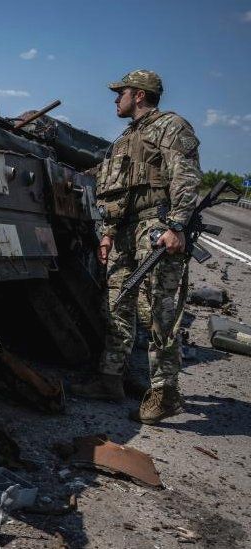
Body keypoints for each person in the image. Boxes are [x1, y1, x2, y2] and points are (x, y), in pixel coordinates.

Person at [71, 70, 202, 424]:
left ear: (139, 95)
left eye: (122, 93)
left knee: (158, 311)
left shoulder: (171, 127)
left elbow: (186, 178)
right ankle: (110, 379)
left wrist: (176, 226)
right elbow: (118, 192)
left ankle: (165, 393)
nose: (117, 99)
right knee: (117, 304)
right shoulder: (128, 138)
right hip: (127, 233)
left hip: (156, 228)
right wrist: (108, 234)